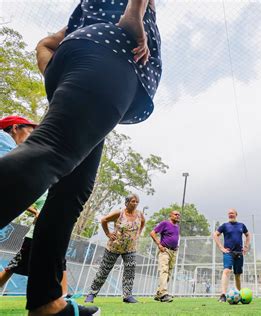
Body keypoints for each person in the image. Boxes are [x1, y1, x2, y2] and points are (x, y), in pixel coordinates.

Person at [0, 0, 161, 314]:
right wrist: (134, 15)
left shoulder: (87, 13)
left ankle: (47, 302)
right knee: (52, 151)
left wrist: (59, 76)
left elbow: (44, 45)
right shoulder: (123, 13)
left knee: (72, 191)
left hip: (83, 62)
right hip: (112, 58)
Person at [0, 116, 68, 295]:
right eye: (30, 131)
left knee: (58, 261)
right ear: (15, 128)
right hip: (34, 234)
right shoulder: (4, 141)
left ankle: (62, 295)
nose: (32, 136)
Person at [84, 194, 145, 304]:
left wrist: (138, 234)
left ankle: (127, 296)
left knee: (130, 272)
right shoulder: (119, 213)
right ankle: (91, 294)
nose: (135, 203)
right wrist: (108, 233)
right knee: (104, 270)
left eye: (137, 202)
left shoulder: (140, 214)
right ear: (127, 202)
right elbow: (104, 220)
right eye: (133, 201)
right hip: (114, 247)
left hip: (130, 248)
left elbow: (143, 222)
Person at [213, 208, 251, 303]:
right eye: (229, 213)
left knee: (237, 275)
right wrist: (221, 248)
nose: (230, 215)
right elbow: (215, 235)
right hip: (228, 253)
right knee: (226, 270)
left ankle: (239, 295)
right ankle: (223, 295)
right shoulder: (225, 226)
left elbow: (248, 235)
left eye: (232, 213)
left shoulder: (241, 225)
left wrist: (246, 246)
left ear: (236, 214)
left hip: (239, 253)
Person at [150, 210, 181, 303]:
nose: (177, 216)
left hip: (174, 252)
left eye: (179, 215)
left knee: (169, 273)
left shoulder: (177, 227)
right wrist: (159, 245)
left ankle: (159, 293)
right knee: (164, 270)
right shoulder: (165, 223)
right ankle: (164, 294)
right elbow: (152, 233)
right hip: (165, 251)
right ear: (170, 215)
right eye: (175, 214)